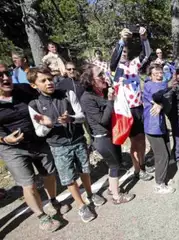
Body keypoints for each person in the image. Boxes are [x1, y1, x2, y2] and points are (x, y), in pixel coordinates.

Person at [27, 67, 105, 223]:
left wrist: (71, 118)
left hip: (77, 140)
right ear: (34, 85)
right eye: (43, 80)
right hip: (58, 146)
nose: (49, 82)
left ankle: (90, 194)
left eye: (50, 79)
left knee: (85, 170)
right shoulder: (34, 105)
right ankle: (81, 205)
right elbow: (39, 132)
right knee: (69, 177)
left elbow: (81, 116)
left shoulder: (67, 94)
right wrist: (47, 125)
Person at [0, 66, 70, 232]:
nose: (5, 78)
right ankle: (41, 215)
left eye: (7, 73)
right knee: (28, 184)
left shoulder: (24, 89)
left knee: (49, 174)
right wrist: (4, 138)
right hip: (11, 149)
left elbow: (45, 96)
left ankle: (53, 200)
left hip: (37, 141)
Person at [80, 64, 135, 204]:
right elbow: (102, 120)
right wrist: (110, 101)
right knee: (114, 166)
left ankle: (112, 188)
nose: (104, 77)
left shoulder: (100, 93)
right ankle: (117, 197)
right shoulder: (87, 98)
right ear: (91, 80)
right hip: (102, 138)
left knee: (116, 163)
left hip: (111, 135)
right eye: (99, 75)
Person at [110, 27, 154, 179]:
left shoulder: (134, 64)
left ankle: (142, 165)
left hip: (139, 108)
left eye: (125, 52)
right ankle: (137, 170)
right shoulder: (115, 69)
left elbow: (147, 54)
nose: (123, 54)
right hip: (127, 110)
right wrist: (122, 41)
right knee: (134, 143)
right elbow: (114, 58)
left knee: (142, 140)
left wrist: (144, 39)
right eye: (121, 52)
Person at [143, 64, 175, 194]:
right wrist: (161, 102)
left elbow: (167, 92)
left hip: (160, 125)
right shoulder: (150, 85)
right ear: (150, 75)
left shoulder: (163, 83)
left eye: (160, 72)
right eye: (155, 73)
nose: (159, 74)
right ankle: (159, 184)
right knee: (162, 155)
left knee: (167, 150)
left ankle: (164, 176)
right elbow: (157, 95)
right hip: (153, 126)